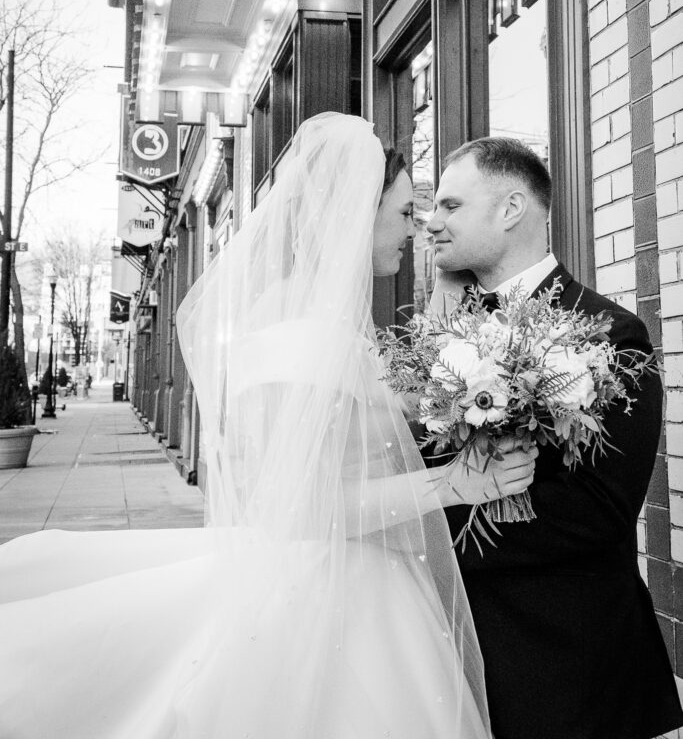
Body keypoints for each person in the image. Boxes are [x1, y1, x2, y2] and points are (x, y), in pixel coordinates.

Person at [0, 114, 535, 738]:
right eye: (402, 211)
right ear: (353, 214)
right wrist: (451, 484)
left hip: (363, 581)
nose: (413, 228)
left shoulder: (317, 321)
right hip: (330, 601)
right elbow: (301, 504)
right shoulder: (302, 331)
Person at [427, 135, 683, 739]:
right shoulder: (444, 332)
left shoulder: (609, 336)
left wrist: (428, 549)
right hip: (454, 664)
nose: (432, 223)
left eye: (450, 206)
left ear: (511, 208)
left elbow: (596, 511)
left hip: (566, 669)